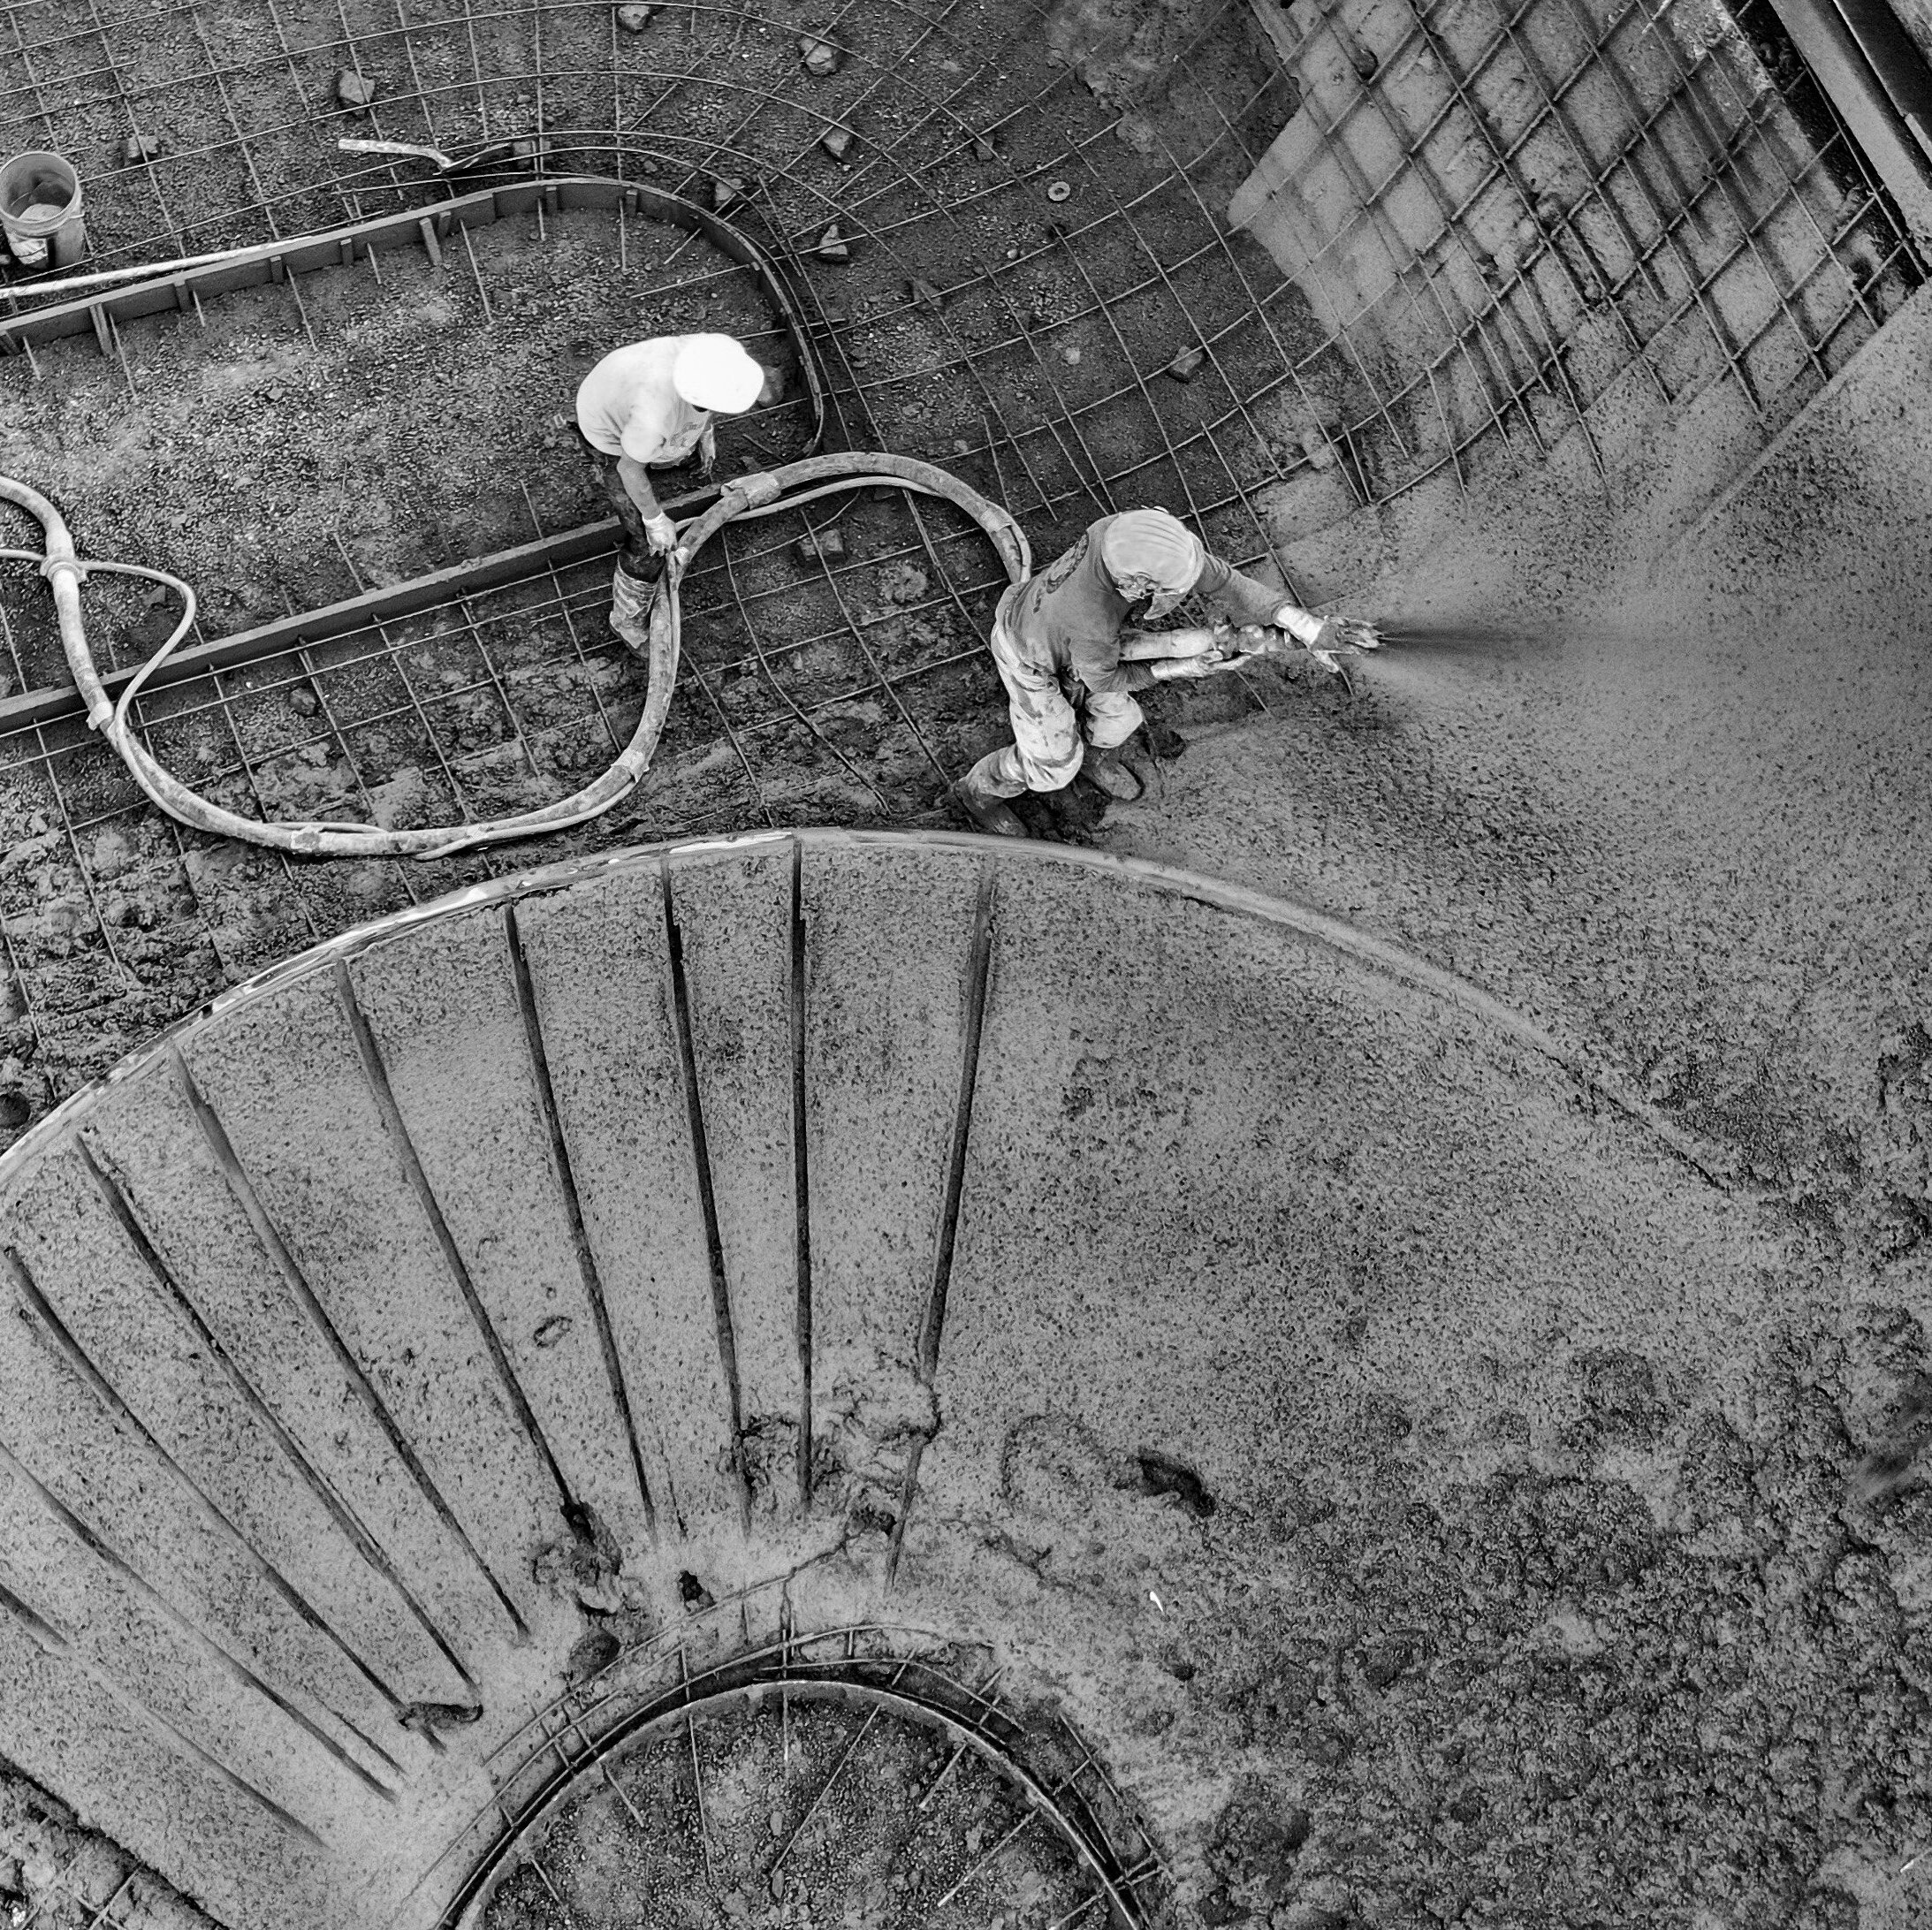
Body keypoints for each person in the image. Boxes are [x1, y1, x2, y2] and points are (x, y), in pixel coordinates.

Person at [951, 506, 1381, 837]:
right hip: (1030, 656)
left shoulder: (1128, 536)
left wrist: (1306, 627)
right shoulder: (1092, 624)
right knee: (1053, 766)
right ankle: (978, 792)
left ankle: (1094, 758)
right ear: (1137, 587)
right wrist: (1183, 667)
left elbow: (1223, 580)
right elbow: (1106, 679)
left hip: (1076, 639)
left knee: (1120, 720)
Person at [573, 332, 779, 651]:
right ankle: (626, 622)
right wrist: (655, 519)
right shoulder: (653, 417)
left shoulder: (717, 352)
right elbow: (627, 470)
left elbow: (711, 397)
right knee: (646, 544)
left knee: (662, 445)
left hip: (628, 391)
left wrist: (704, 431)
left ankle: (665, 454)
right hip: (607, 430)